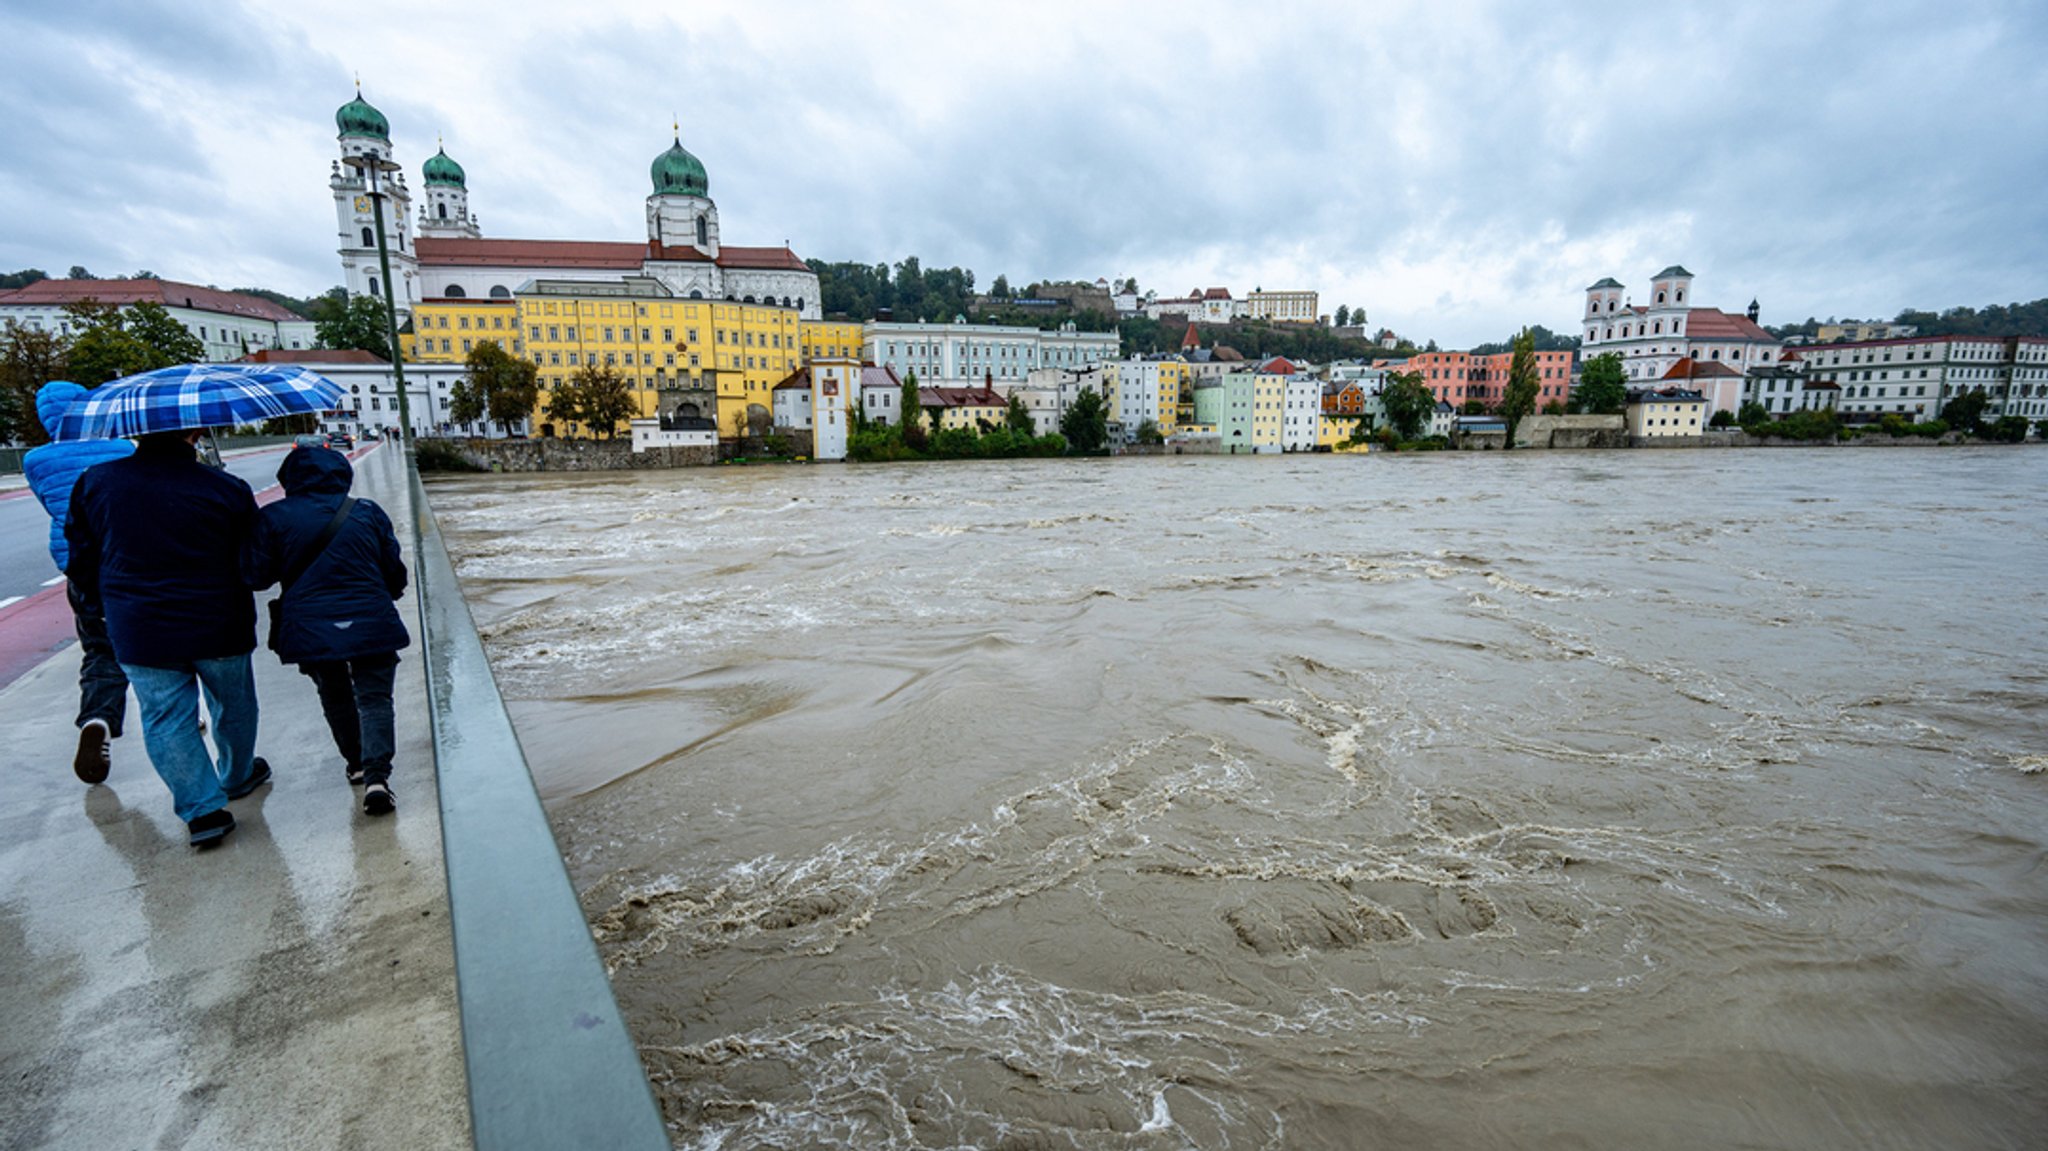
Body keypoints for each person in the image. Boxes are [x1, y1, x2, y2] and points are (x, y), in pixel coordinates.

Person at [67, 427, 267, 848]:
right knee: (234, 703)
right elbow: (253, 560)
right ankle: (236, 774)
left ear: (139, 432)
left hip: (140, 624)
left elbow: (82, 555)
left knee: (164, 716)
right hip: (219, 620)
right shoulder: (226, 488)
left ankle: (203, 811)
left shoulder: (97, 482)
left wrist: (95, 603)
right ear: (193, 433)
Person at [246, 445, 410, 816]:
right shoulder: (367, 512)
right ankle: (377, 779)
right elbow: (394, 572)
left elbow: (256, 576)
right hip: (370, 618)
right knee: (375, 698)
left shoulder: (273, 517)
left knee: (334, 693)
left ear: (289, 479)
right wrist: (384, 594)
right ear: (342, 475)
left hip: (311, 624)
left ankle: (355, 763)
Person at [22, 381, 135, 784]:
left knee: (100, 650)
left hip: (79, 566)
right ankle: (186, 718)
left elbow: (51, 503)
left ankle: (97, 719)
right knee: (160, 644)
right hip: (130, 560)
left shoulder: (36, 460)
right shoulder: (124, 451)